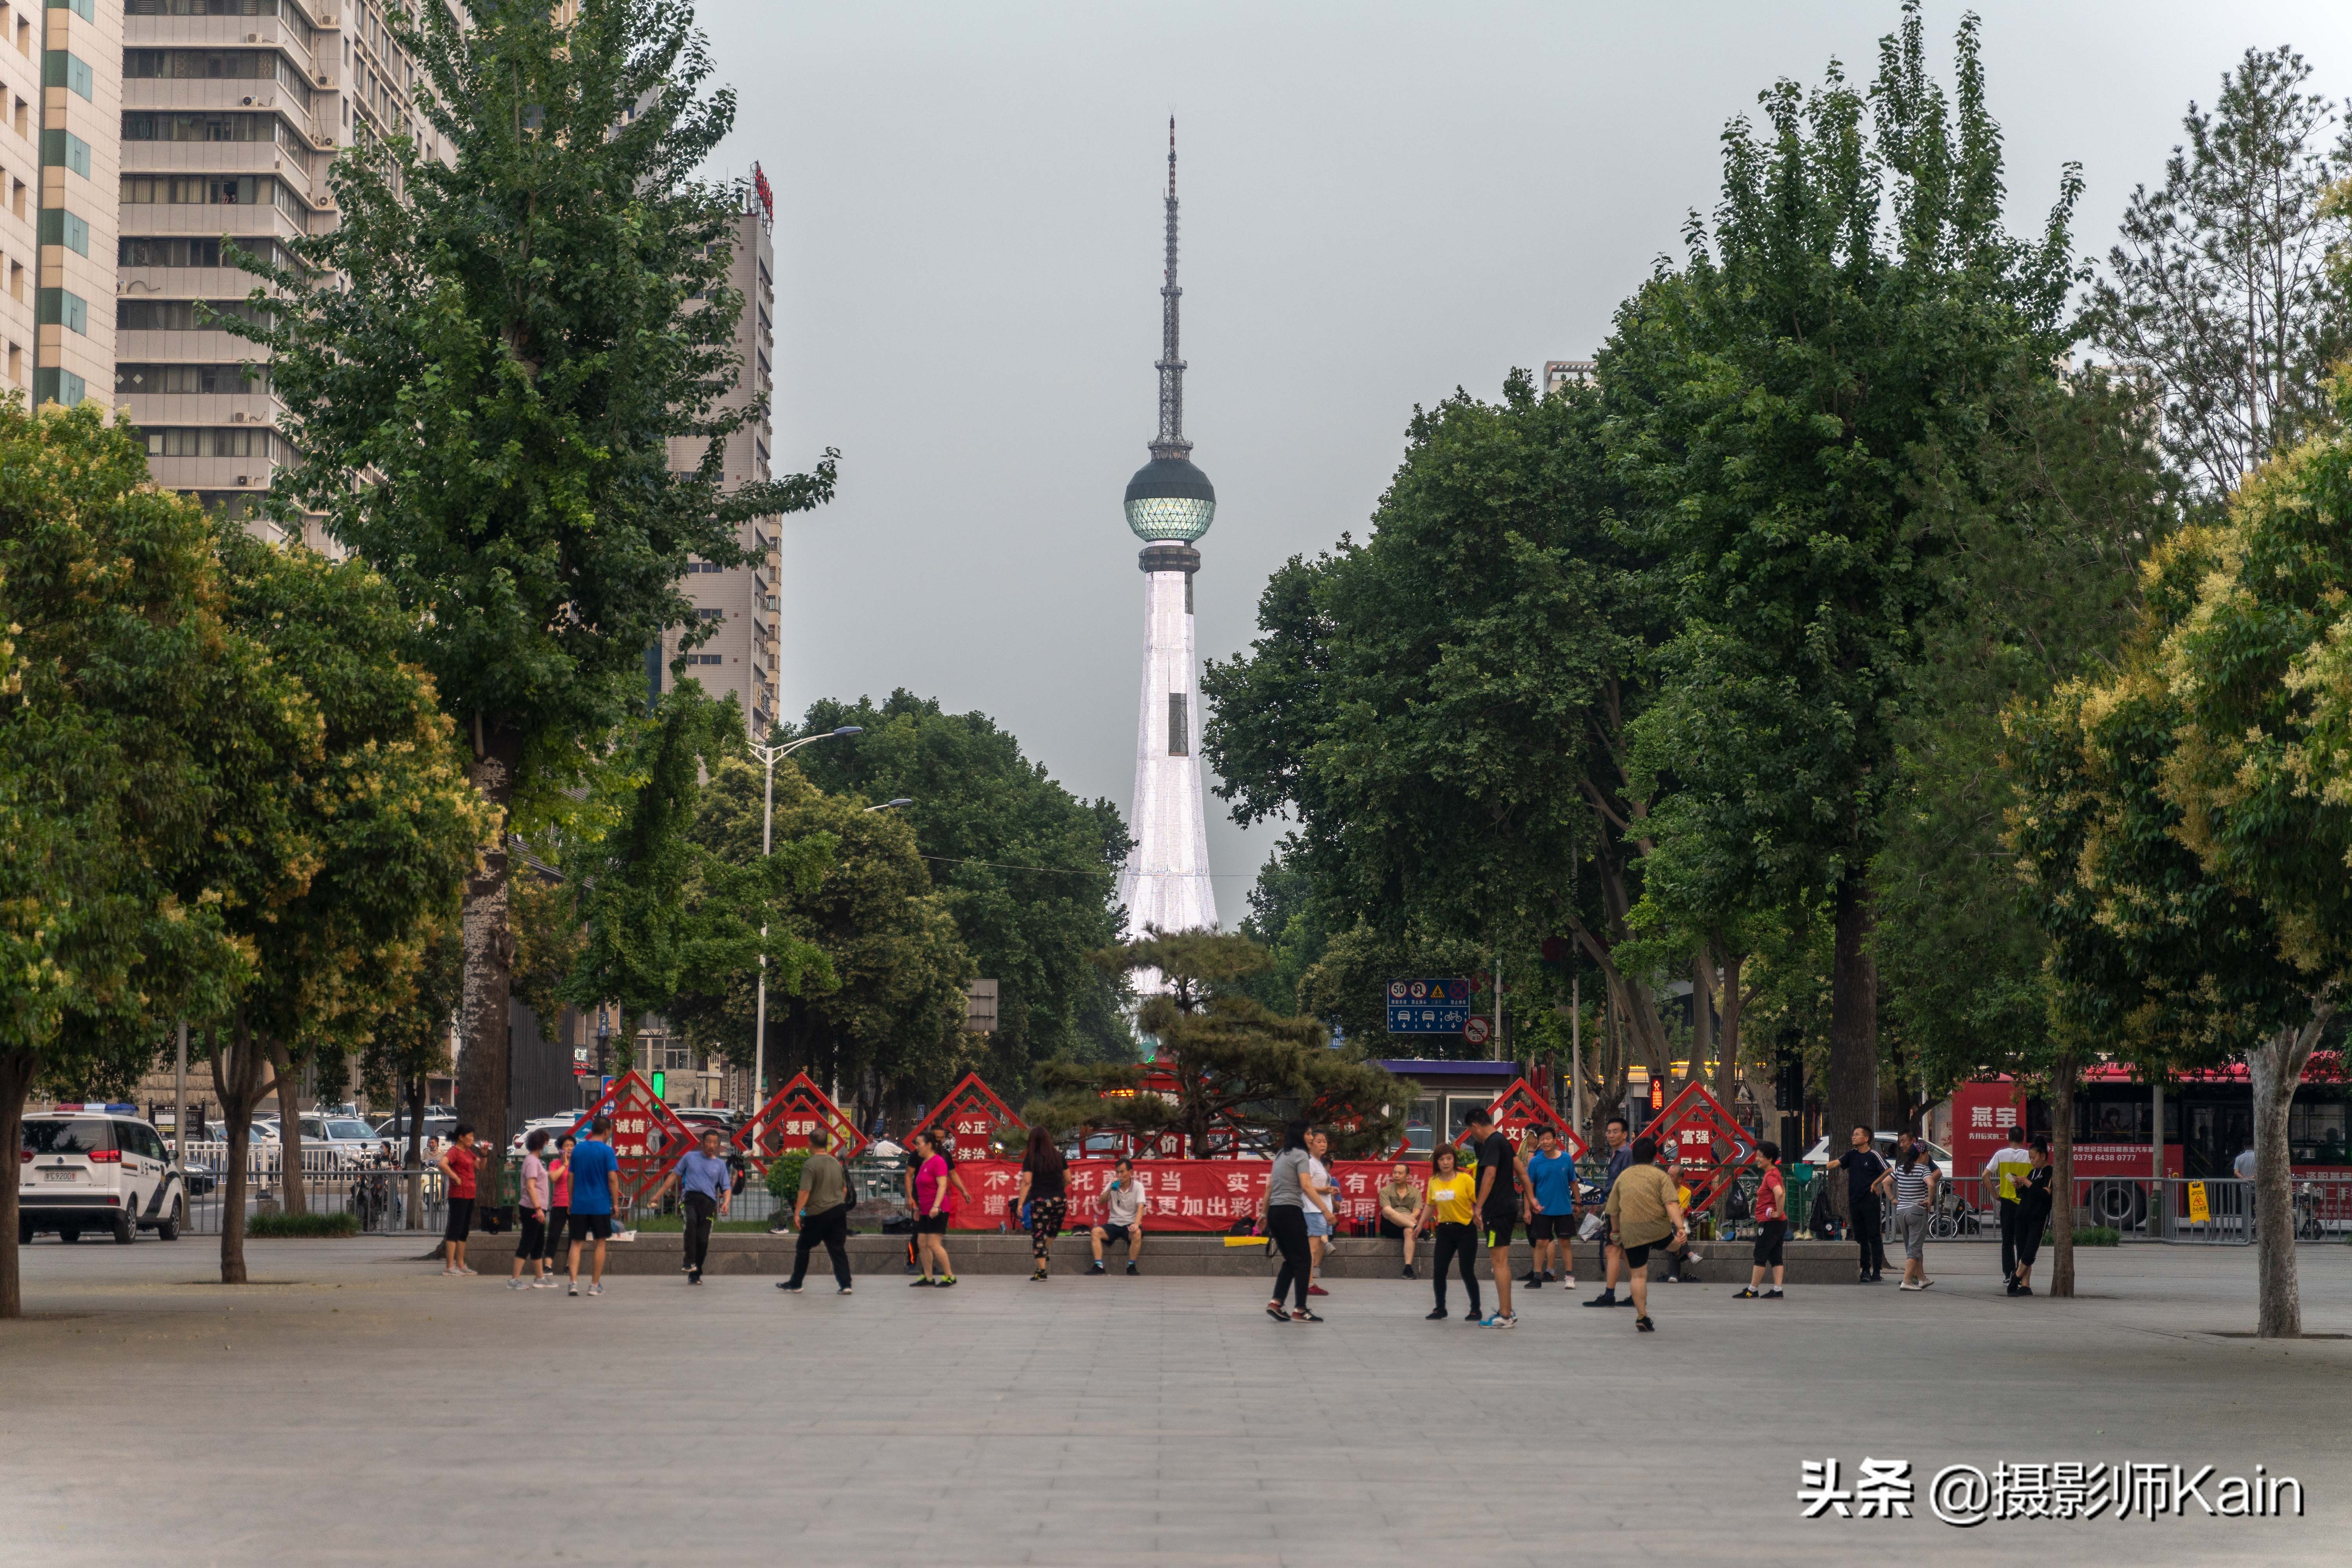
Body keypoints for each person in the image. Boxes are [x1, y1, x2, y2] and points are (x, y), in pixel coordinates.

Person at [1601, 1136, 1685, 1333]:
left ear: (1634, 1156)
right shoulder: (1661, 1177)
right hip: (1658, 1228)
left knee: (1638, 1276)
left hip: (1632, 1231)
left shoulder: (1623, 1177)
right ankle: (1676, 1248)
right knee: (1674, 1243)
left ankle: (1642, 1316)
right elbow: (1671, 1204)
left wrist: (1616, 1231)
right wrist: (1681, 1227)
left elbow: (1613, 1210)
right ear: (1655, 1157)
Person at [1258, 1119, 1330, 1322]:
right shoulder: (1301, 1155)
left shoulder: (1281, 1154)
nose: (1311, 1138)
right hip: (1291, 1212)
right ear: (1300, 1135)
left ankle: (1276, 1303)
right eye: (1308, 1134)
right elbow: (1306, 1186)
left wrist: (1264, 1215)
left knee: (1292, 1260)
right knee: (1304, 1260)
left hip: (1275, 1213)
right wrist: (1325, 1210)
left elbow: (1270, 1187)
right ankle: (1301, 1309)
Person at [777, 1126, 855, 1295]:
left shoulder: (810, 1164)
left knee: (803, 1246)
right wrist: (837, 1203)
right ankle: (846, 1285)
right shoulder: (836, 1163)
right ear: (826, 1144)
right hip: (838, 1211)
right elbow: (844, 1190)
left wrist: (798, 1213)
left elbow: (805, 1191)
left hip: (818, 1213)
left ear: (810, 1144)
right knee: (837, 1248)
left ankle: (796, 1283)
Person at [653, 1127, 732, 1285]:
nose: (712, 1145)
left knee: (703, 1240)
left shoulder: (720, 1165)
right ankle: (688, 1261)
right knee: (691, 1223)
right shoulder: (690, 1157)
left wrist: (726, 1203)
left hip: (709, 1203)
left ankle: (696, 1274)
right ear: (702, 1143)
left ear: (718, 1145)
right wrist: (658, 1195)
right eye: (709, 1142)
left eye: (715, 1143)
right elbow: (674, 1175)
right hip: (690, 1198)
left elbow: (726, 1187)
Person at [1465, 1109, 1520, 1328]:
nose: (1472, 1135)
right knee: (1499, 1261)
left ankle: (1505, 1316)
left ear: (1475, 1127)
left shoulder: (1493, 1143)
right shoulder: (1502, 1142)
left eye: (1471, 1131)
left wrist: (1478, 1208)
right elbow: (1521, 1171)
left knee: (1499, 1262)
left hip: (1497, 1212)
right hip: (1503, 1209)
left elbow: (1490, 1174)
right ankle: (1507, 1310)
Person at [1583, 1116, 1639, 1308]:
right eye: (1609, 1132)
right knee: (1623, 1252)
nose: (1611, 1135)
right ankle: (1637, 1294)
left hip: (1621, 1208)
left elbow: (1627, 1183)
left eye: (1616, 1132)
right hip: (1616, 1206)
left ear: (1625, 1134)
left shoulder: (1627, 1154)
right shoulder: (1616, 1154)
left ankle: (1610, 1295)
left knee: (1613, 1249)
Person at [1422, 1144, 1480, 1322]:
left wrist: (1480, 1216)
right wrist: (1419, 1225)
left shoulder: (1465, 1179)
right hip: (1445, 1231)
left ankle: (1476, 1310)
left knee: (1467, 1271)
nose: (1446, 1163)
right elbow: (1430, 1205)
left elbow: (1479, 1200)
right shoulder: (1434, 1181)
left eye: (1449, 1158)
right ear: (1437, 1162)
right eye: (1441, 1159)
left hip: (1466, 1230)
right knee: (1439, 1270)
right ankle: (1440, 1308)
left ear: (1454, 1160)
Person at [565, 1117, 621, 1298]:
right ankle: (594, 1285)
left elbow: (570, 1177)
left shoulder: (578, 1150)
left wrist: (571, 1200)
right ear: (607, 1132)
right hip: (600, 1204)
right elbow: (612, 1178)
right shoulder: (607, 1151)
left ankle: (573, 1283)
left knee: (576, 1243)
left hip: (579, 1204)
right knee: (600, 1242)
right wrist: (615, 1203)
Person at [1831, 1125, 1891, 1283]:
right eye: (1853, 1134)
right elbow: (1837, 1163)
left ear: (1866, 1138)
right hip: (1855, 1201)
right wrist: (1819, 1166)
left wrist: (1875, 1183)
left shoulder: (1873, 1155)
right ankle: (1865, 1270)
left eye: (1857, 1135)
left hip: (1870, 1201)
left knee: (1874, 1235)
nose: (1854, 1137)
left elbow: (1889, 1170)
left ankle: (1876, 1271)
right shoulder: (1852, 1155)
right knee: (1860, 1236)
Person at [1522, 1127, 1579, 1289]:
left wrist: (1578, 1202)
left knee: (1565, 1242)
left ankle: (1569, 1277)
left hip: (1564, 1209)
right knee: (1541, 1242)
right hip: (1542, 1210)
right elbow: (1529, 1188)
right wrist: (1527, 1210)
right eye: (1542, 1139)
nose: (1545, 1142)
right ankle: (1537, 1277)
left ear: (1555, 1140)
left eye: (1548, 1138)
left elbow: (1573, 1182)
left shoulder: (1566, 1159)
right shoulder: (1535, 1162)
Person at [1014, 1126, 1068, 1282]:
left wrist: (1020, 1203)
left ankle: (1042, 1271)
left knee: (1039, 1234)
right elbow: (1069, 1179)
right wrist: (1058, 1191)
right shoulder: (1059, 1156)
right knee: (1053, 1231)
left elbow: (1027, 1182)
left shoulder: (1031, 1158)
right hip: (1060, 1200)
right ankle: (1044, 1251)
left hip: (1040, 1202)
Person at [1735, 1140, 1787, 1299]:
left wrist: (1777, 1212)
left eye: (1760, 1156)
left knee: (1760, 1254)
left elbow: (1780, 1193)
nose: (1756, 1159)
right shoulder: (1775, 1173)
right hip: (1779, 1223)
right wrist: (1779, 1213)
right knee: (1776, 1256)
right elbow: (1781, 1193)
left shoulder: (1771, 1176)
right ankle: (1778, 1290)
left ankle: (1752, 1290)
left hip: (1770, 1223)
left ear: (1770, 1159)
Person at [908, 1129, 959, 1287]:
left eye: (919, 1144)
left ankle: (950, 1276)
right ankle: (928, 1277)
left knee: (933, 1244)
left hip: (938, 1209)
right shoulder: (924, 1163)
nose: (917, 1147)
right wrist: (918, 1209)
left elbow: (943, 1185)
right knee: (922, 1243)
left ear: (928, 1145)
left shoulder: (938, 1162)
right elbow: (922, 1189)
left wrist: (936, 1206)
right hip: (925, 1210)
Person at [1889, 1136, 1939, 1290]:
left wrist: (1893, 1199)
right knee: (1915, 1249)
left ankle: (1922, 1279)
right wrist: (1929, 1200)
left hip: (1901, 1212)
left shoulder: (1901, 1169)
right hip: (1917, 1212)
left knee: (1912, 1246)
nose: (1928, 1157)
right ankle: (1907, 1281)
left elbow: (1886, 1183)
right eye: (1927, 1154)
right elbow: (1931, 1184)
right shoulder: (1924, 1169)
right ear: (1922, 1155)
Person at [1984, 1125, 2031, 1283]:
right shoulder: (2029, 1156)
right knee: (2022, 1241)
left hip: (2007, 1203)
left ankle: (2009, 1275)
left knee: (2008, 1240)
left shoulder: (2001, 1155)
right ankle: (2021, 1274)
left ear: (2008, 1138)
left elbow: (1985, 1176)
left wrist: (1995, 1195)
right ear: (2023, 1139)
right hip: (2024, 1203)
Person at [2010, 1136, 2054, 1296]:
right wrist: (2019, 1186)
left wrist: (2027, 1182)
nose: (2032, 1161)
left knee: (2030, 1252)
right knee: (2021, 1251)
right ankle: (2025, 1286)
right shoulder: (2033, 1172)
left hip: (2038, 1217)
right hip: (2023, 1216)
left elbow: (2044, 1194)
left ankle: (2015, 1277)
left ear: (2043, 1156)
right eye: (2030, 1158)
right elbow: (2025, 1194)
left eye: (2034, 1158)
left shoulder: (2049, 1171)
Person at [508, 1129, 552, 1290]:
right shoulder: (533, 1162)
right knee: (527, 1242)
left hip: (536, 1207)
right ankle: (514, 1279)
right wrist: (538, 1209)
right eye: (546, 1143)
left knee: (538, 1243)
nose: (548, 1146)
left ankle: (540, 1278)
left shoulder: (534, 1161)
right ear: (540, 1144)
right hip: (532, 1208)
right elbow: (531, 1186)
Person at [1088, 1155, 1144, 1275]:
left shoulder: (1138, 1187)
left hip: (1130, 1224)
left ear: (1130, 1172)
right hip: (1114, 1223)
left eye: (1122, 1172)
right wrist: (1110, 1189)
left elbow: (1141, 1207)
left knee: (1137, 1233)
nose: (1120, 1175)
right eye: (1117, 1172)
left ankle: (1131, 1266)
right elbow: (1102, 1201)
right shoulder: (1113, 1184)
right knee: (1096, 1232)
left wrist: (1136, 1225)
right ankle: (1099, 1266)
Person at [438, 1123, 479, 1276]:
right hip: (458, 1195)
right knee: (455, 1229)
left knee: (464, 1230)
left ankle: (461, 1264)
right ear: (461, 1137)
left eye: (473, 1136)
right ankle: (449, 1267)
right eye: (470, 1136)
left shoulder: (469, 1152)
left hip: (470, 1194)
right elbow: (442, 1164)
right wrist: (455, 1177)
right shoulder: (454, 1151)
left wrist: (484, 1154)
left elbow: (480, 1166)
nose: (473, 1139)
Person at [1302, 1128, 1336, 1296]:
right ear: (1311, 1143)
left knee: (1316, 1248)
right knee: (1312, 1249)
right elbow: (1304, 1186)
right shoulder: (1308, 1162)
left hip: (1321, 1210)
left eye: (1325, 1141)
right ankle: (1308, 1284)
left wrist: (1328, 1190)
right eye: (1319, 1141)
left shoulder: (1318, 1162)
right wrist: (1322, 1190)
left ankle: (1309, 1283)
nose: (1323, 1145)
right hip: (1312, 1210)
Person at [1377, 1163, 1425, 1278]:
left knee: (1409, 1230)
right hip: (1390, 1225)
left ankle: (1408, 1268)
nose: (1396, 1176)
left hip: (1408, 1225)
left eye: (1400, 1173)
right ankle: (1418, 1229)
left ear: (1408, 1176)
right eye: (1395, 1173)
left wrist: (1407, 1220)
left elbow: (1417, 1212)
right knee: (1386, 1211)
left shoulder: (1416, 1192)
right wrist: (1406, 1220)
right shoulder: (1385, 1191)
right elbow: (1387, 1211)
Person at [540, 1133, 573, 1283]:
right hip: (559, 1203)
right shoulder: (555, 1164)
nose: (570, 1148)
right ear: (561, 1149)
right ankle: (548, 1265)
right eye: (567, 1146)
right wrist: (565, 1165)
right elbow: (553, 1178)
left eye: (572, 1146)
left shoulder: (578, 1164)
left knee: (574, 1236)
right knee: (554, 1235)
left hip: (575, 1203)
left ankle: (569, 1266)